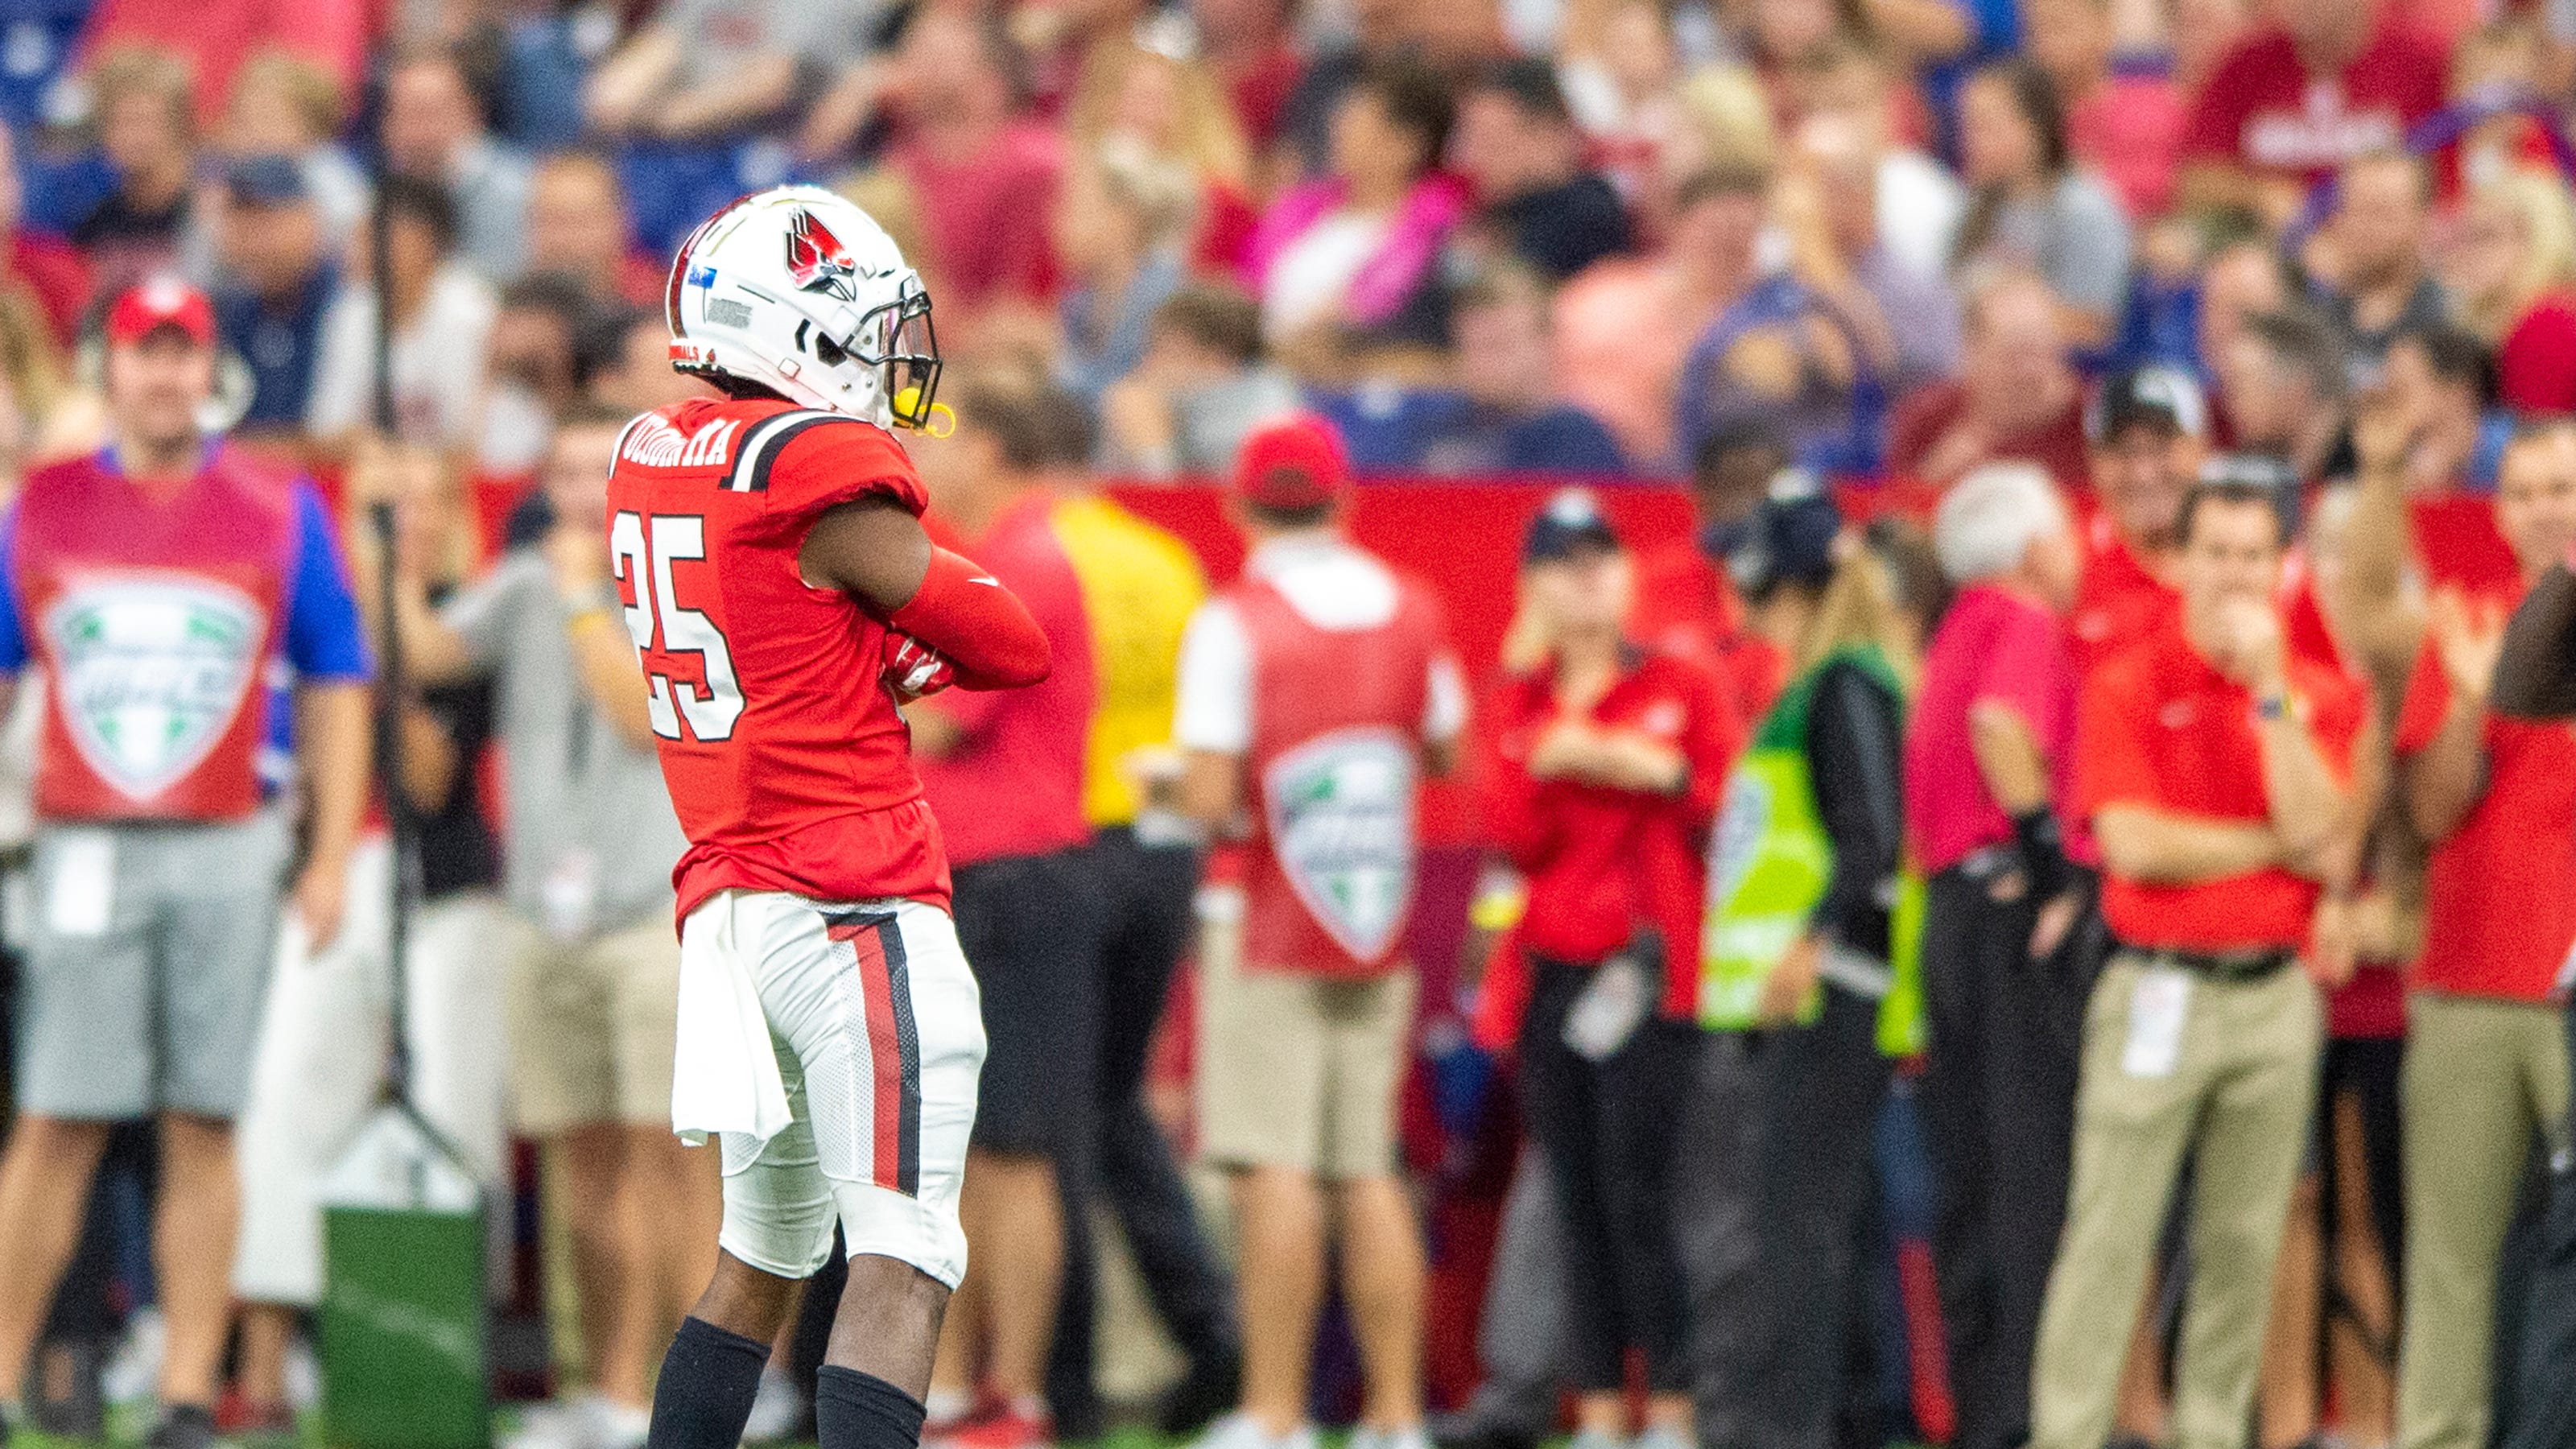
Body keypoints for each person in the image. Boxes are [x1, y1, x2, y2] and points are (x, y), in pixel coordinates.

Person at [603, 185, 1051, 1449]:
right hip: (851, 904)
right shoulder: (814, 466)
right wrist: (902, 630)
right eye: (869, 328)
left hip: (730, 922)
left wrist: (865, 642)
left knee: (763, 1257)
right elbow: (1011, 640)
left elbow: (787, 620)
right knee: (902, 1257)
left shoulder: (648, 452)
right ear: (796, 332)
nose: (893, 360)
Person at [0, 277, 372, 1449]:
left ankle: (185, 1396)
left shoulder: (276, 504)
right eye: (142, 352)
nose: (164, 375)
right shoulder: (41, 507)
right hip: (83, 837)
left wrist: (325, 856)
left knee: (204, 1119)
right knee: (59, 1117)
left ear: (207, 371)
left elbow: (337, 672)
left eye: (183, 354)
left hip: (226, 833)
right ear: (106, 366)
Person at [364, 408, 714, 1449]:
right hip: (546, 918)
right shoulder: (521, 584)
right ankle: (602, 1386)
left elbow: (632, 711)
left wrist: (575, 595)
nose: (574, 495)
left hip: (654, 915)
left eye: (593, 474)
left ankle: (690, 1390)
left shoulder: (674, 588)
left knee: (670, 1163)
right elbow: (423, 651)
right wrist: (397, 548)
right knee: (582, 1167)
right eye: (560, 475)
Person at [2029, 475, 2364, 1449]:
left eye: (2252, 555)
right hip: (2154, 983)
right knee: (2106, 1237)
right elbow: (2131, 845)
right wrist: (2274, 847)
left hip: (2271, 994)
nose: (2232, 576)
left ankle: (2213, 1433)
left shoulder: (2314, 691)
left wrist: (2267, 695)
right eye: (2213, 552)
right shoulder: (2127, 681)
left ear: (2281, 566)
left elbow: (2331, 846)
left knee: (2243, 1244)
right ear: (2178, 562)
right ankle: (2067, 1433)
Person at [1178, 413, 1465, 1449]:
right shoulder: (1412, 608)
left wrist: (1174, 786)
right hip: (1370, 911)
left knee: (1274, 1165)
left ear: (1237, 505)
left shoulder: (1232, 622)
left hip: (1261, 916)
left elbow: (1212, 790)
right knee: (1368, 1166)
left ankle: (1274, 1411)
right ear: (1344, 499)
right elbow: (1442, 752)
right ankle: (1394, 1415)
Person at [1476, 489, 1732, 1449]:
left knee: (1647, 1193)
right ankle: (1592, 1407)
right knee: (1574, 1196)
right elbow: (1512, 837)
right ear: (1533, 585)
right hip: (1555, 970)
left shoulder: (1678, 681)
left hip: (1653, 969)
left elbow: (1723, 802)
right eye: (1564, 561)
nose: (1588, 576)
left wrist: (1637, 765)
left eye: (1601, 557)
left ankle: (1669, 1405)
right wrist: (1555, 756)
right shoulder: (1520, 701)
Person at [904, 378, 1108, 1449]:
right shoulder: (1001, 553)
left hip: (1015, 875)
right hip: (979, 875)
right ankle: (956, 1391)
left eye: (936, 442)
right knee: (967, 1147)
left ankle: (1013, 1393)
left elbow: (938, 727)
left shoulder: (1022, 562)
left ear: (984, 446)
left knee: (1014, 1147)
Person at [1701, 486, 1926, 1449]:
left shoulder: (1841, 684)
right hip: (1830, 992)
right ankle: (1859, 1416)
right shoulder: (1832, 682)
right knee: (1840, 1218)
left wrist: (1811, 946)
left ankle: (1785, 1427)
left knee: (1794, 1224)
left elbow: (1870, 842)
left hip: (1828, 996)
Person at [1037, 394, 1243, 1441]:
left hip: (1068, 842)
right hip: (1161, 849)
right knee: (1115, 1104)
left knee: (1054, 1120)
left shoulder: (1027, 558)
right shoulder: (1163, 561)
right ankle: (1209, 1332)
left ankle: (1065, 1378)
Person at [2385, 419, 2576, 1449]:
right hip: (2468, 983)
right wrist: (2468, 697)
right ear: (2496, 512)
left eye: (2563, 486)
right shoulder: (2459, 619)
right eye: (2524, 489)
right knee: (2450, 1258)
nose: (2545, 506)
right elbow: (2430, 812)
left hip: (2568, 986)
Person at [1905, 463, 2090, 1449]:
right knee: (2032, 1171)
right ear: (2030, 550)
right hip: (2004, 912)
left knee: (1969, 1169)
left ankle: (1983, 1410)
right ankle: (2028, 1413)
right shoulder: (2021, 620)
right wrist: (2050, 866)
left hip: (1948, 914)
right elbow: (2000, 726)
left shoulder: (1950, 633)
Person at [1248, 56, 1466, 371]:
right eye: (1342, 116)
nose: (1337, 128)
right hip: (1265, 362)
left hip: (1358, 374)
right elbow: (1248, 286)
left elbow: (1389, 315)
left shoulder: (1437, 228)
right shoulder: (1297, 207)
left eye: (1357, 120)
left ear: (1406, 143)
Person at [1554, 163, 1771, 474]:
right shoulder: (1604, 293)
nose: (1726, 244)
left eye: (1741, 232)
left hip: (1696, 470)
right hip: (1586, 456)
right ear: (1678, 226)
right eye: (1714, 228)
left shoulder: (1767, 320)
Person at [1318, 264, 1629, 475]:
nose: (1484, 363)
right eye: (1472, 347)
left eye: (1499, 345)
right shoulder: (1438, 424)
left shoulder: (1576, 436)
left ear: (1546, 343)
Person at [2179, 0, 2446, 228]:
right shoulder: (2244, 64)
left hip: (2383, 242)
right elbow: (2196, 180)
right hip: (2272, 249)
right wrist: (2261, 194)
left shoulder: (2421, 63)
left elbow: (2449, 188)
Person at [305, 175, 497, 454]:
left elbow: (468, 441)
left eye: (372, 234)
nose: (357, 248)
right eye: (358, 234)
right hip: (371, 474)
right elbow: (327, 433)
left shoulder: (470, 313)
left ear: (427, 240)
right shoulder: (351, 310)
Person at [1950, 59, 2132, 345]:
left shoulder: (2083, 210)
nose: (1970, 140)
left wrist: (1995, 317)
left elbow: (2092, 326)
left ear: (2035, 128)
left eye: (1985, 126)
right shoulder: (1976, 203)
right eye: (1967, 126)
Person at [1886, 270, 2091, 492]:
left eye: (2042, 352)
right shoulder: (1926, 418)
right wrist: (1929, 483)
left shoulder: (2094, 421)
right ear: (1972, 354)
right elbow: (1887, 512)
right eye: (2014, 355)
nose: (2030, 372)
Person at [1448, 59, 1633, 282]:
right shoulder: (1492, 213)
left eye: (1490, 143)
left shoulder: (1586, 218)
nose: (1472, 158)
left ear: (1547, 134)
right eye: (1470, 140)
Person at [1096, 283, 1302, 477]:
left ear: (1217, 357)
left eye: (1166, 351)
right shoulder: (1167, 405)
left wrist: (1152, 446)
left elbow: (1175, 500)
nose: (1147, 365)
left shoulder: (1269, 417)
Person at [381, 44, 535, 283]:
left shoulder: (520, 192)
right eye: (405, 114)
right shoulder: (379, 196)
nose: (419, 133)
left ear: (472, 114)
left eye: (431, 113)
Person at [208, 155, 337, 436]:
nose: (255, 238)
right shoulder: (226, 312)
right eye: (242, 219)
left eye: (267, 218)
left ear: (309, 220)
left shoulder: (346, 306)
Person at [2314, 151, 2447, 367]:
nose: (2366, 228)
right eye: (2355, 210)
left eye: (2382, 213)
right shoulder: (2311, 313)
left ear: (2425, 220)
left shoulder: (2450, 322)